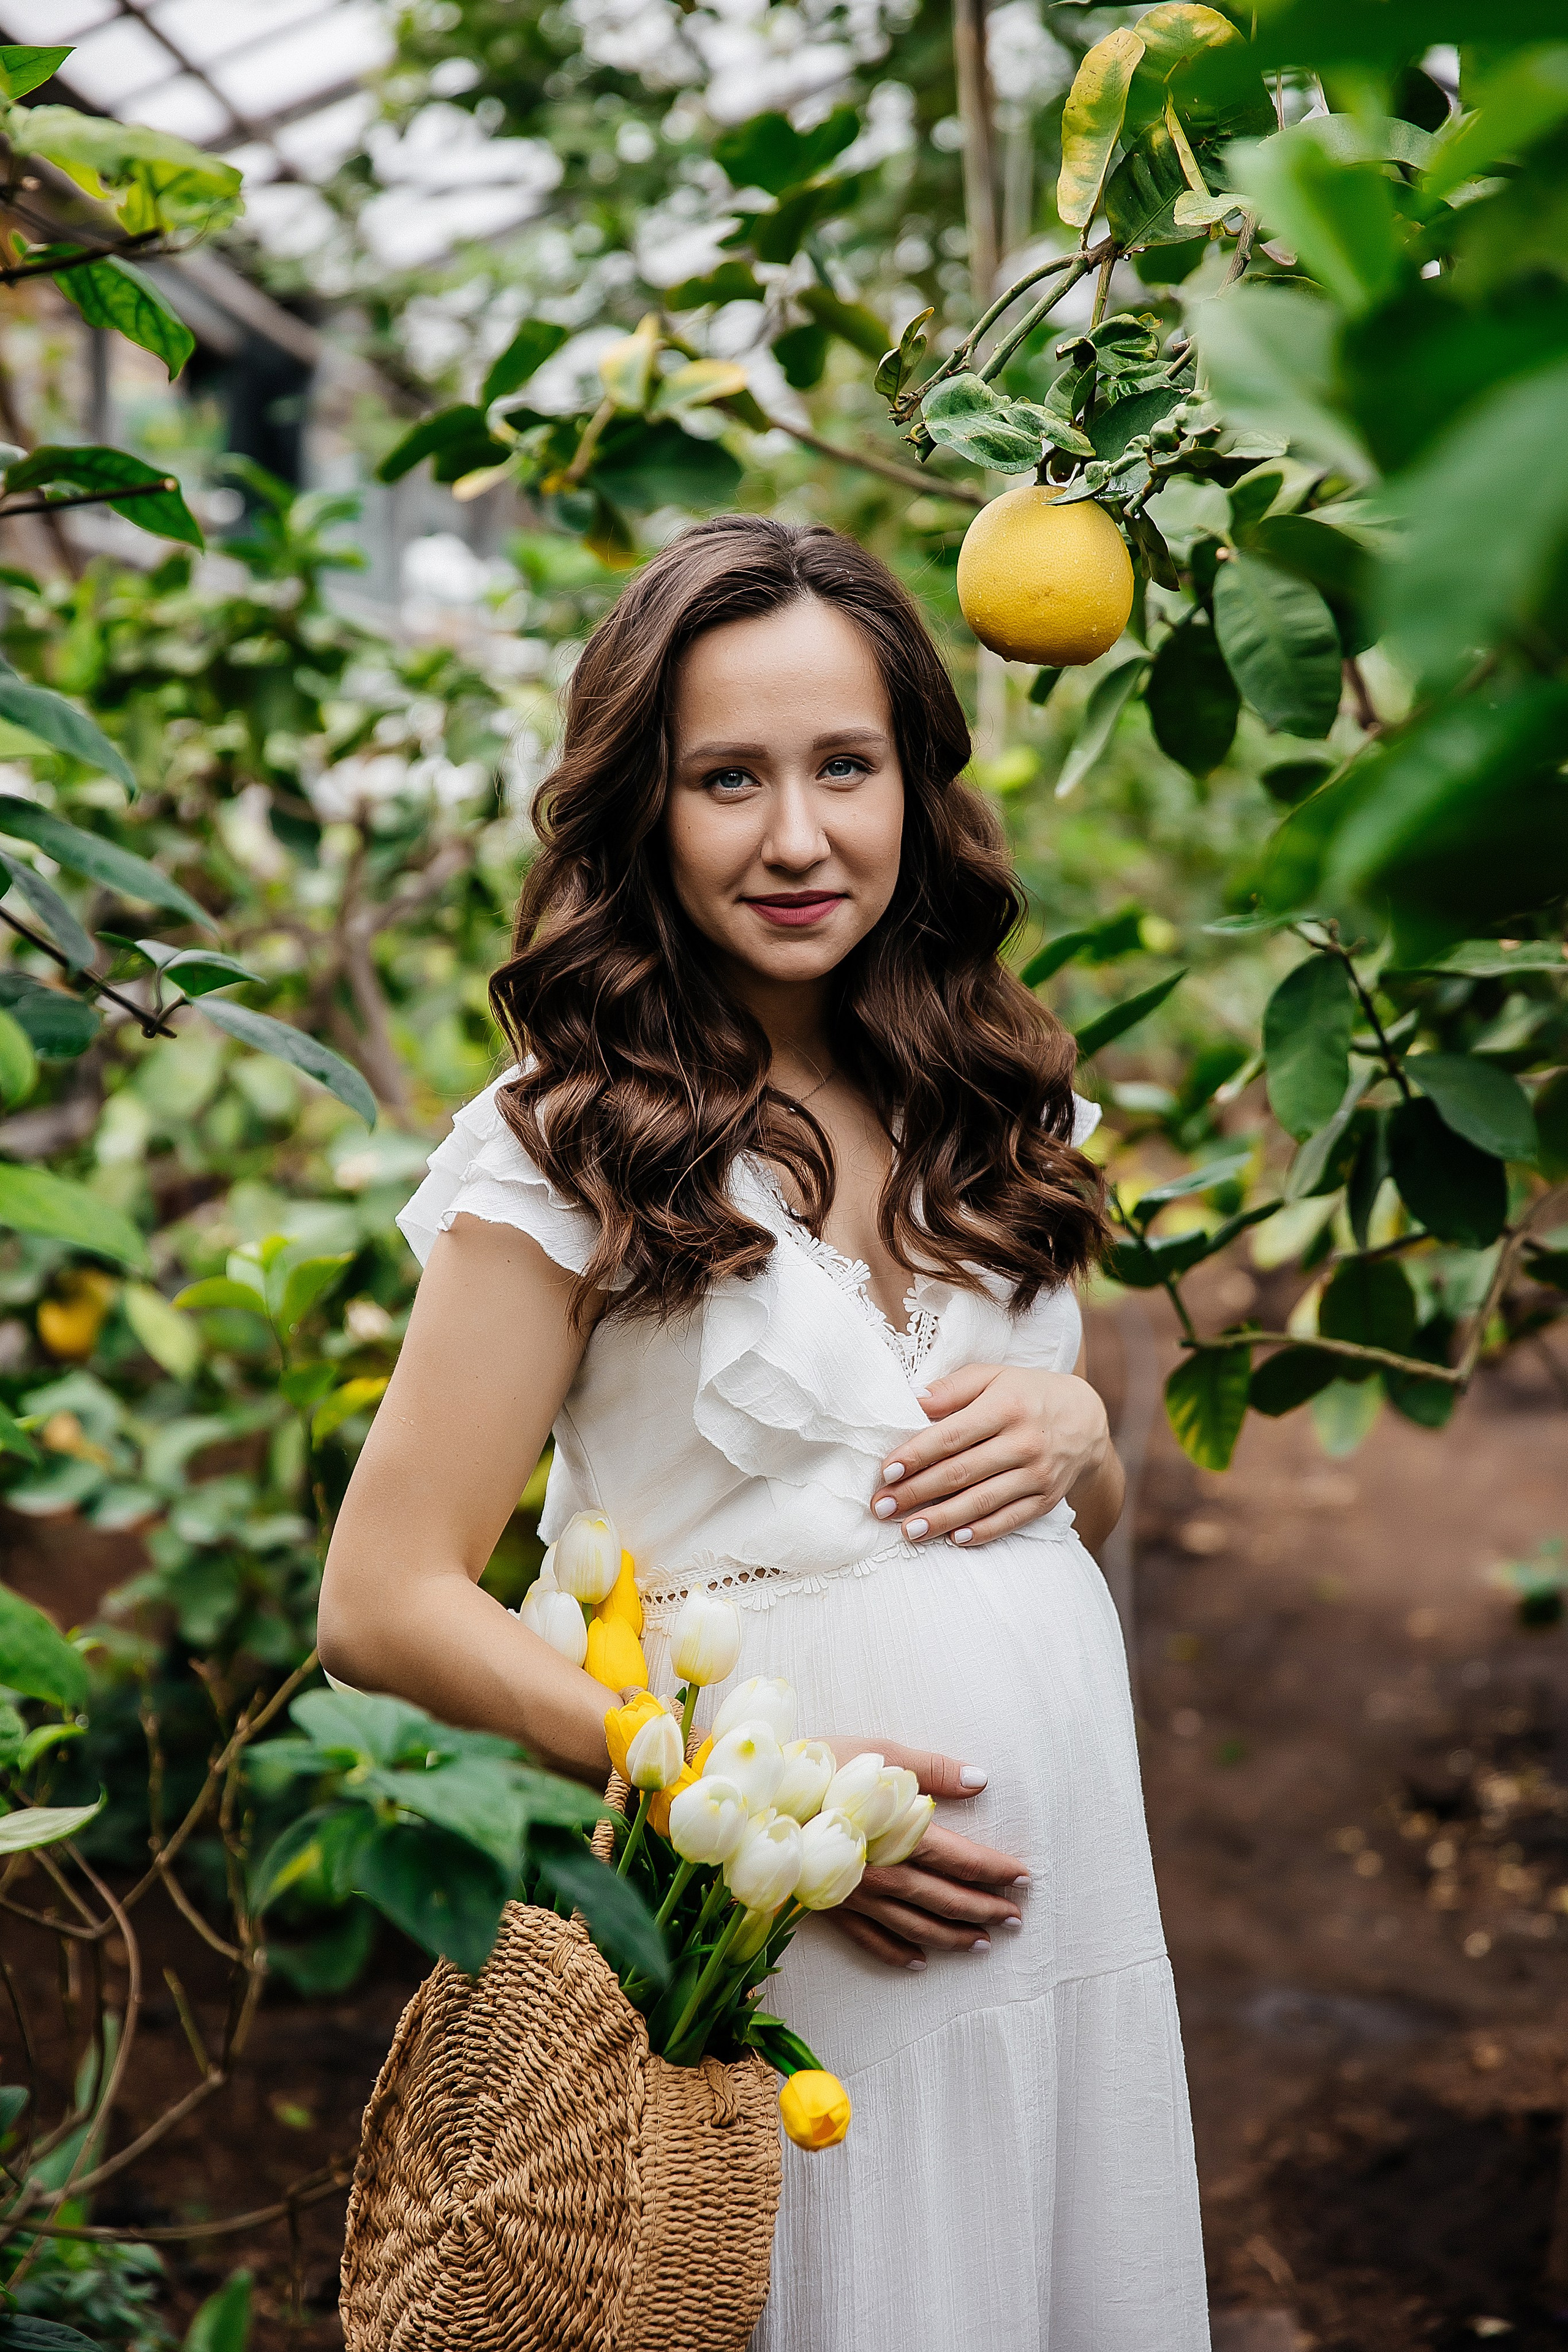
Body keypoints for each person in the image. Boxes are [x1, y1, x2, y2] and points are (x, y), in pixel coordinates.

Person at [317, 514, 1209, 2351]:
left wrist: (1077, 1425)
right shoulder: (568, 1141)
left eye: (843, 769)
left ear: (918, 788)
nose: (796, 839)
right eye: (728, 777)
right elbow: (384, 1597)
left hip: (1071, 1926)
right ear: (642, 804)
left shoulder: (997, 1091)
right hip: (798, 1936)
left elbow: (1070, 1518)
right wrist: (739, 1815)